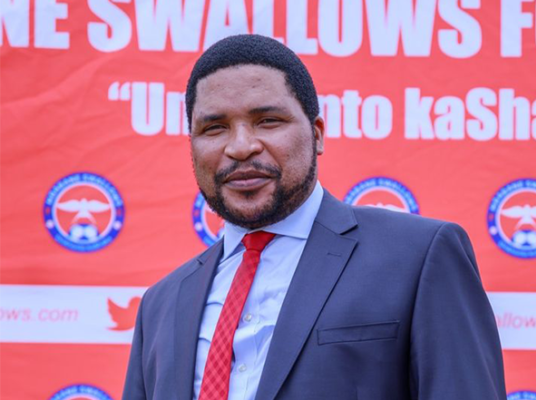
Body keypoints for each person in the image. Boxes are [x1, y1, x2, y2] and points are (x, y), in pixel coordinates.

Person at [122, 34, 506, 400]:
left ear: (317, 134)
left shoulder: (418, 259)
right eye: (215, 128)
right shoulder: (160, 305)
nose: (241, 146)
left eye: (268, 121)